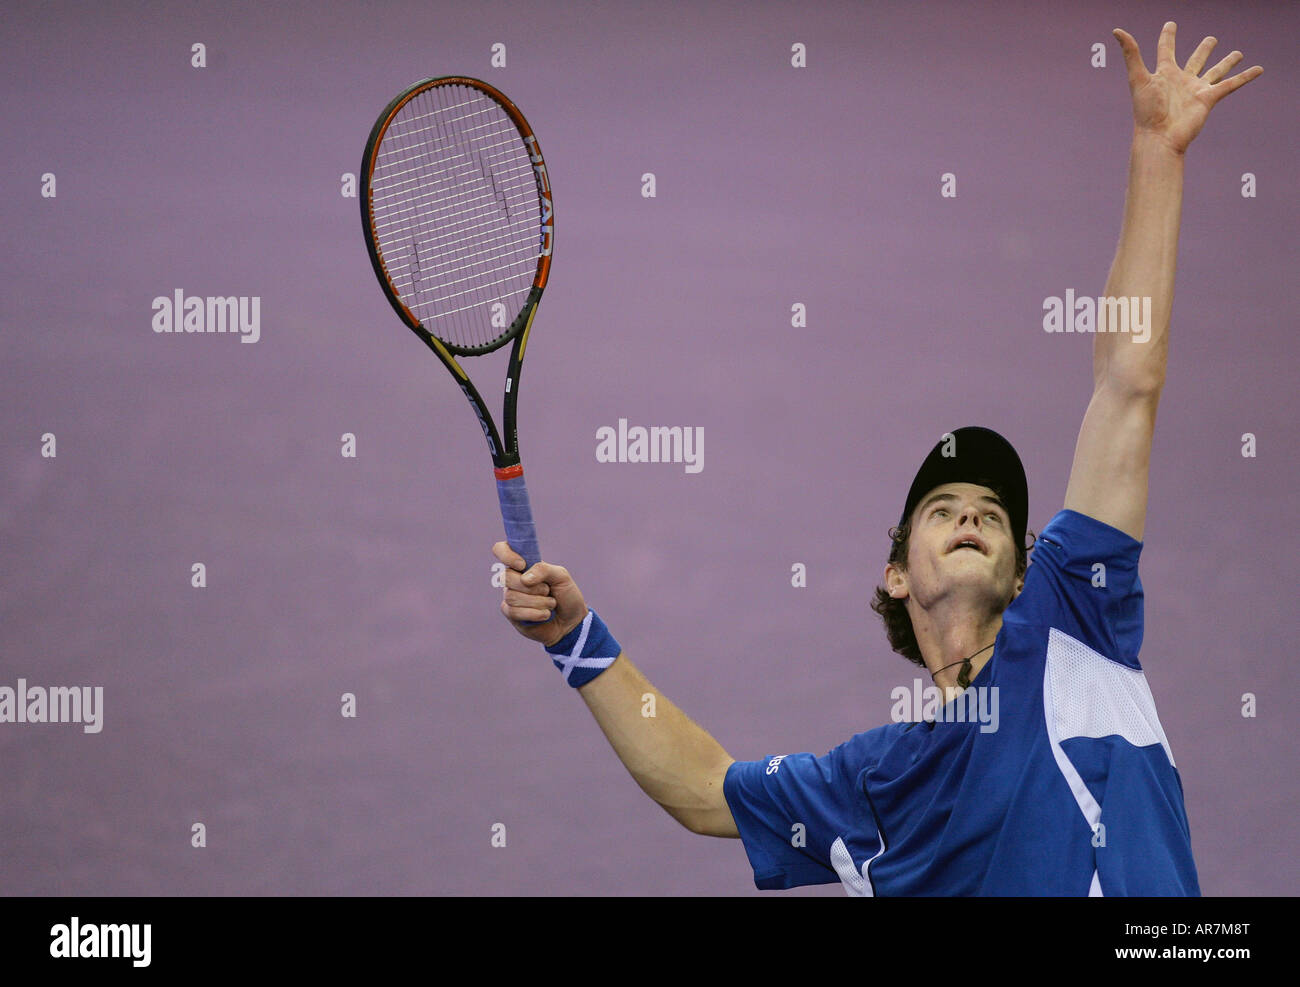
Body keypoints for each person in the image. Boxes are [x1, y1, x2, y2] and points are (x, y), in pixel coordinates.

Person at [493, 23, 1261, 895]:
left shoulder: (1075, 618)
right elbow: (704, 788)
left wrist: (1157, 154)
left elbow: (1128, 383)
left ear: (1024, 575)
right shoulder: (874, 786)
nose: (971, 513)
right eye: (944, 509)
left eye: (993, 513)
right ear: (896, 574)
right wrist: (572, 638)